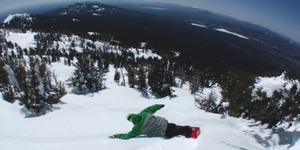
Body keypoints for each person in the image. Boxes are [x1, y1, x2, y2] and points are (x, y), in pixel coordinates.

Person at [109, 104, 193, 139]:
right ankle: (173, 126)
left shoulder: (137, 128)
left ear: (130, 120)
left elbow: (127, 136)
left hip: (163, 131)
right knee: (170, 125)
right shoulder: (143, 113)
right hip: (164, 122)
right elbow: (152, 108)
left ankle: (186, 130)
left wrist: (116, 135)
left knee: (169, 134)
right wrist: (159, 105)